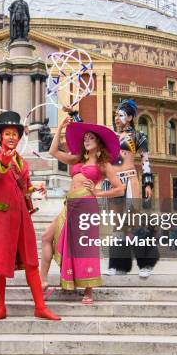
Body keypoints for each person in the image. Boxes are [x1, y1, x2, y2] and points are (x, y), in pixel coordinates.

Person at [0, 111, 60, 321]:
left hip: (22, 218)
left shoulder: (22, 162)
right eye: (7, 133)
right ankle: (1, 307)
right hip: (1, 219)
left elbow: (24, 189)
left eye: (14, 133)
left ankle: (40, 307)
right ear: (0, 137)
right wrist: (4, 161)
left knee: (32, 263)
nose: (12, 137)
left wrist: (36, 189)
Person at [40, 116, 125, 304]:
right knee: (46, 236)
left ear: (98, 143)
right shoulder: (76, 159)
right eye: (85, 138)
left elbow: (120, 188)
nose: (86, 140)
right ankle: (42, 280)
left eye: (91, 138)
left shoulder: (104, 165)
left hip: (87, 206)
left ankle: (88, 291)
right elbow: (53, 151)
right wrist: (61, 126)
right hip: (69, 205)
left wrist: (97, 192)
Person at [104, 99, 159, 278]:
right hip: (115, 183)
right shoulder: (111, 136)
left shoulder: (138, 136)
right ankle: (117, 265)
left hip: (130, 181)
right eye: (116, 115)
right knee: (118, 226)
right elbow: (91, 136)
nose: (117, 118)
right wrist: (74, 116)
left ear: (129, 117)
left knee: (133, 225)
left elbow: (145, 160)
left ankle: (147, 264)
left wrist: (148, 183)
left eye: (120, 115)